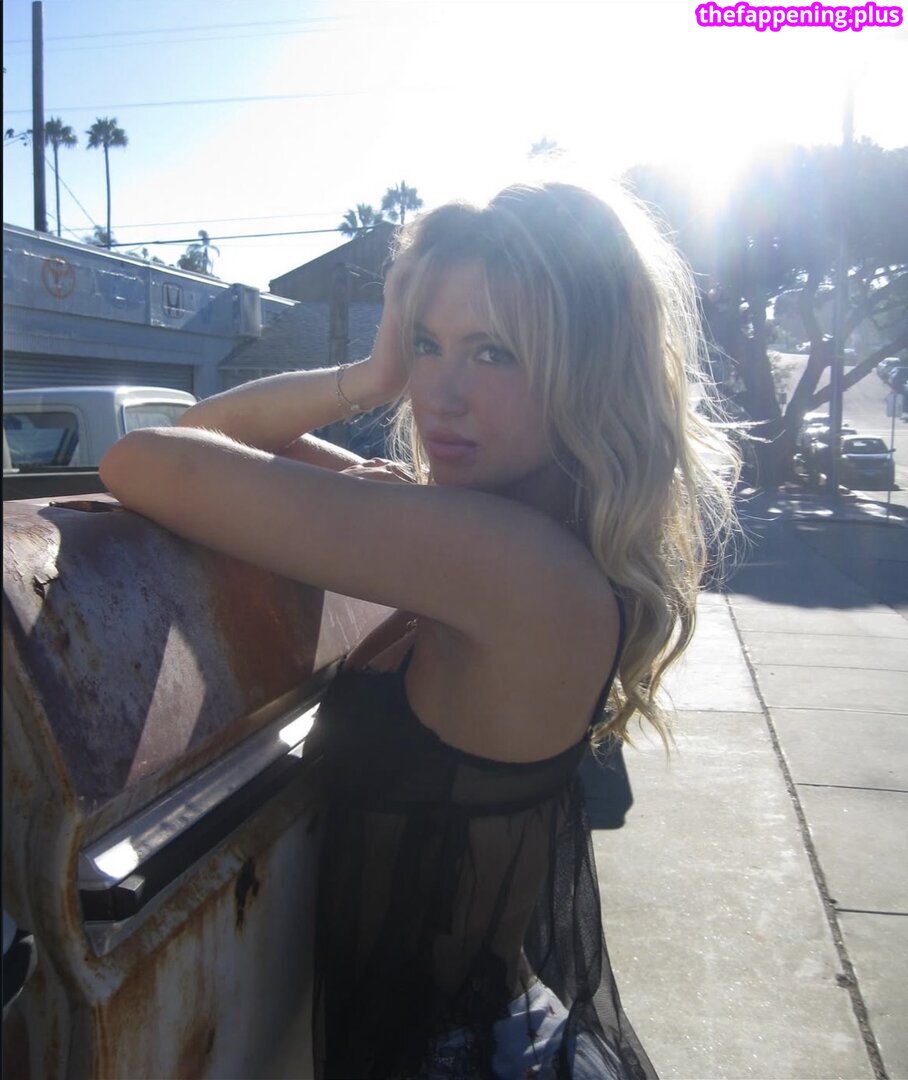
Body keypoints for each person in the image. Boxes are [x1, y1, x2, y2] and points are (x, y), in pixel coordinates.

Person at [100, 182, 738, 1079]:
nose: (440, 393)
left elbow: (144, 459)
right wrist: (381, 387)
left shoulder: (508, 562)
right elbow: (201, 439)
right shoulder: (514, 540)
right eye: (426, 345)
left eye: (495, 352)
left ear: (589, 370)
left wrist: (368, 379)